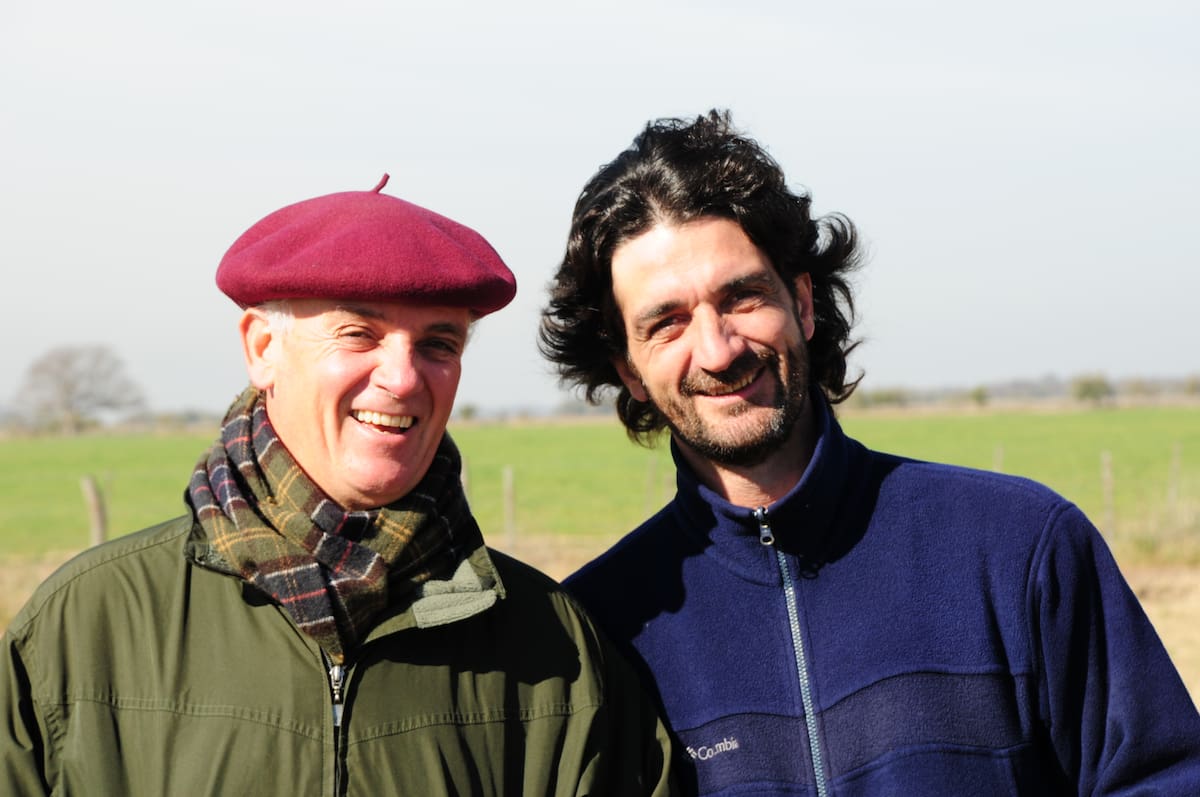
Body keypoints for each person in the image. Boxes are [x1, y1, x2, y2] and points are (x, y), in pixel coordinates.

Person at [539, 111, 1200, 795]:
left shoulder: (1017, 548)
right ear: (628, 369)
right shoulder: (598, 634)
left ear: (802, 301)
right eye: (667, 322)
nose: (717, 349)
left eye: (742, 296)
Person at [1, 175, 675, 795]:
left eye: (439, 343)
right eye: (359, 333)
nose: (404, 377)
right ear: (262, 347)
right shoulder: (86, 629)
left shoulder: (555, 652)